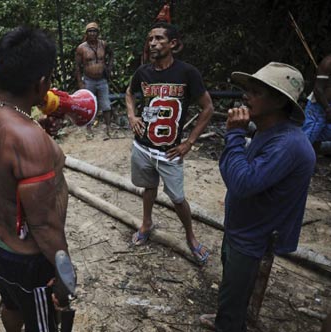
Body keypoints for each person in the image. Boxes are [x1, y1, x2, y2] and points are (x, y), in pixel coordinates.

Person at [0, 27, 71, 332]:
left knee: (11, 305)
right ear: (41, 83)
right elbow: (44, 225)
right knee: (43, 324)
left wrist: (34, 130)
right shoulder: (30, 140)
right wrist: (64, 276)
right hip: (28, 259)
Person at [199, 62, 315, 331]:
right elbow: (232, 171)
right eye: (248, 90)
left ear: (278, 100)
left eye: (256, 92)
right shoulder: (266, 132)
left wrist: (235, 134)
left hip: (254, 237)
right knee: (233, 290)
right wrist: (237, 137)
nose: (246, 96)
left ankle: (229, 324)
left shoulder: (288, 145)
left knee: (236, 292)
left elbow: (240, 182)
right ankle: (228, 318)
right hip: (242, 228)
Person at [125, 22, 213, 264]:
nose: (153, 43)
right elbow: (129, 93)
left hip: (169, 152)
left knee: (177, 198)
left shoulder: (187, 73)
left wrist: (190, 142)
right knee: (148, 187)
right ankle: (146, 223)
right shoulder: (143, 73)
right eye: (150, 39)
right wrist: (132, 116)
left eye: (159, 38)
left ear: (173, 44)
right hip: (142, 147)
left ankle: (191, 236)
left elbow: (208, 108)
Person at [75, 22, 114, 140]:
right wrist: (80, 83)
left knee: (106, 105)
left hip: (102, 80)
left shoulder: (103, 44)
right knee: (88, 105)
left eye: (94, 31)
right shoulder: (81, 48)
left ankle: (108, 128)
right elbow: (77, 66)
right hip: (88, 80)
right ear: (86, 33)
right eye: (90, 31)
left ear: (98, 33)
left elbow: (111, 55)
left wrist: (109, 67)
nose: (92, 33)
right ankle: (89, 129)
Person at [301, 55, 331, 152]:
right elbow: (318, 90)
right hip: (318, 108)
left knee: (317, 138)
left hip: (327, 107)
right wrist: (327, 108)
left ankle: (310, 163)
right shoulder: (328, 63)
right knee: (306, 141)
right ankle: (293, 164)